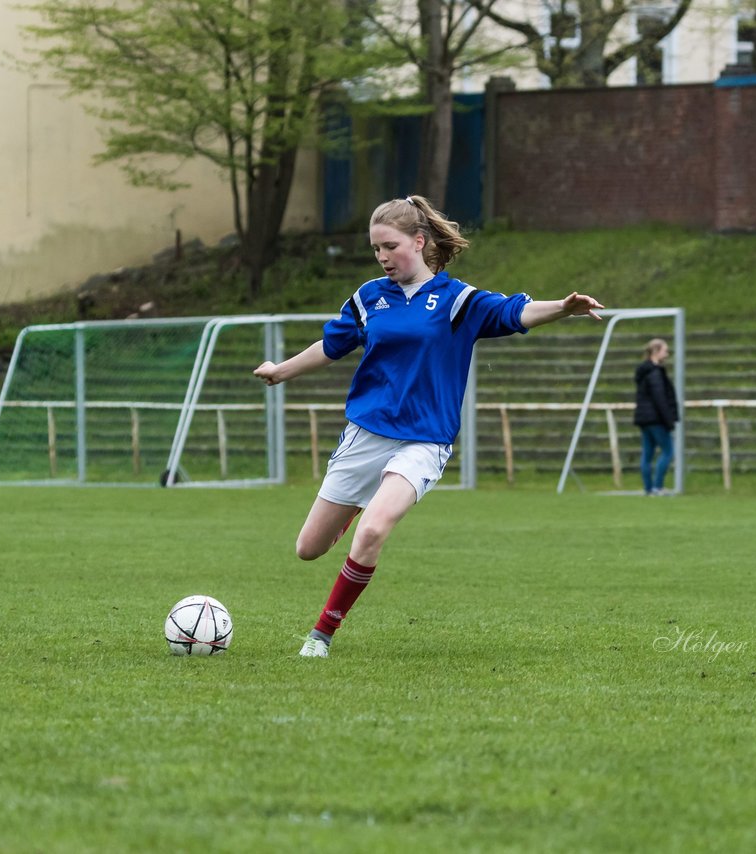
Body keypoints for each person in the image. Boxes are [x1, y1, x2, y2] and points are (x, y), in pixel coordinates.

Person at [252, 195, 604, 658]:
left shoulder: (458, 301)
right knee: (308, 549)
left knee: (374, 531)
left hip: (424, 441)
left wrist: (562, 306)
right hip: (366, 435)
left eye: (389, 246)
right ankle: (361, 503)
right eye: (375, 248)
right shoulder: (368, 297)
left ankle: (321, 634)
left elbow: (514, 312)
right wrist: (281, 370)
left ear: (418, 242)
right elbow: (331, 345)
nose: (381, 257)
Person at [633, 338, 679, 496]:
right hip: (656, 419)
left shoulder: (644, 371)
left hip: (644, 418)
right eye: (665, 350)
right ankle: (657, 487)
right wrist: (669, 420)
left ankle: (648, 489)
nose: (667, 353)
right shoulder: (655, 373)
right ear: (655, 351)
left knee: (648, 453)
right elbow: (660, 399)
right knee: (668, 451)